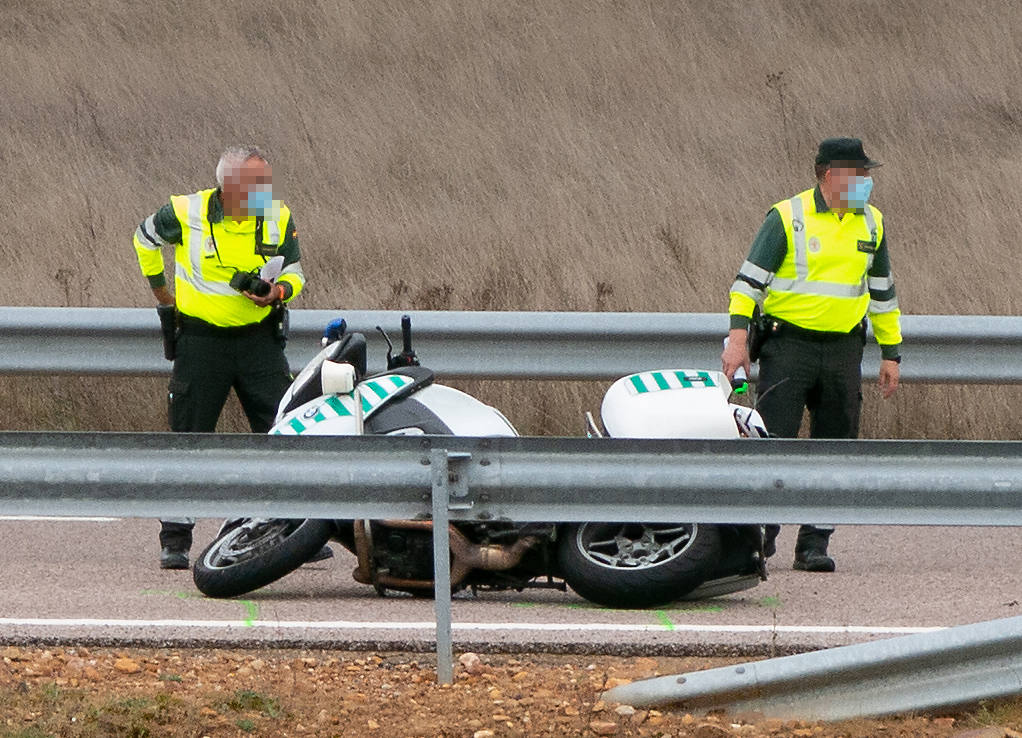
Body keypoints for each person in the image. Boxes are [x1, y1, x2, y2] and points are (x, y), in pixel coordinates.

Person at [132, 144, 329, 569]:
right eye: (256, 183)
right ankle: (176, 539)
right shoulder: (187, 211)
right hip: (202, 344)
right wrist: (160, 293)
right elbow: (143, 238)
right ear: (230, 186)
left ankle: (293, 529)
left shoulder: (278, 215)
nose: (265, 191)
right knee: (189, 436)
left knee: (283, 430)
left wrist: (278, 292)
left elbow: (296, 272)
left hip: (259, 341)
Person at [721, 137, 902, 573]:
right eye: (858, 174)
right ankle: (759, 537)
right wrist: (738, 338)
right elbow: (747, 285)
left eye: (867, 175)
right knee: (774, 442)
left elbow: (883, 294)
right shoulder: (787, 217)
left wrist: (891, 353)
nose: (866, 182)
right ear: (829, 176)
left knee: (835, 448)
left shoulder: (872, 223)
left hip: (843, 350)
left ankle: (814, 544)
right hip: (789, 346)